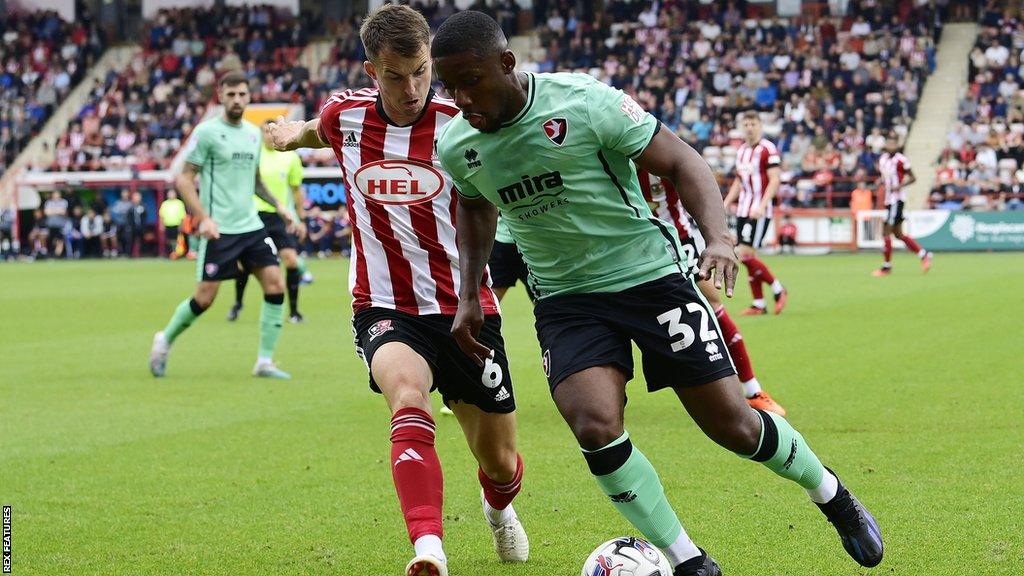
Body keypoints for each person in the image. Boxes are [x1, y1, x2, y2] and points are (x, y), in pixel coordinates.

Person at [432, 12, 883, 576]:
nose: (461, 98)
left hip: (650, 280)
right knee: (594, 425)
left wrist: (719, 239)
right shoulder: (457, 144)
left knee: (734, 426)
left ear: (506, 64)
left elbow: (682, 161)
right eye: (449, 86)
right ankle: (688, 560)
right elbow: (475, 206)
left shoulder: (584, 102)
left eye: (470, 80)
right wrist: (471, 293)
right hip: (566, 300)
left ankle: (832, 495)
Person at [265, 6, 528, 576]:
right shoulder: (345, 117)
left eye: (421, 72)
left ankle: (497, 505)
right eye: (394, 75)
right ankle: (428, 548)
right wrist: (291, 137)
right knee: (407, 396)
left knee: (501, 462)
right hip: (384, 306)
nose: (410, 90)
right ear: (371, 71)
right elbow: (320, 128)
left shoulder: (464, 120)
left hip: (467, 305)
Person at [149, 71, 296, 380]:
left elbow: (254, 180)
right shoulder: (207, 133)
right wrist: (202, 217)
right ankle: (165, 340)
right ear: (220, 96)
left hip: (251, 226)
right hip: (220, 229)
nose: (237, 100)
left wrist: (279, 206)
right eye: (231, 95)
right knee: (204, 299)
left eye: (242, 94)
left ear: (249, 96)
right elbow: (184, 179)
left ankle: (265, 361)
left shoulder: (255, 135)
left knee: (275, 283)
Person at [637, 169, 787, 416]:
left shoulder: (659, 152)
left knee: (713, 307)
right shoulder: (613, 154)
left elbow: (694, 179)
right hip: (638, 248)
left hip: (679, 242)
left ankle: (752, 390)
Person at [228, 121, 309, 324]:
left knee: (291, 261)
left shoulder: (290, 157)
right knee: (244, 265)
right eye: (264, 131)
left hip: (279, 217)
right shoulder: (254, 155)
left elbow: (296, 190)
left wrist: (301, 218)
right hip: (253, 215)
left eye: (270, 130)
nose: (267, 135)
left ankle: (294, 311)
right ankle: (237, 303)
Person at [722, 111, 787, 316]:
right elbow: (740, 181)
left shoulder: (768, 149)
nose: (749, 127)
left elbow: (775, 179)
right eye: (746, 124)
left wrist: (762, 204)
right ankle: (759, 303)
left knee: (744, 253)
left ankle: (777, 288)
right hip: (743, 209)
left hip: (758, 210)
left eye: (753, 124)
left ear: (760, 126)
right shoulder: (741, 151)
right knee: (749, 256)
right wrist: (726, 202)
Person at [874, 134, 933, 277]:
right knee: (898, 234)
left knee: (886, 231)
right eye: (889, 143)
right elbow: (885, 177)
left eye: (893, 143)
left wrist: (900, 186)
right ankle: (923, 254)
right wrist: (880, 182)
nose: (891, 146)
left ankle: (886, 267)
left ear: (897, 145)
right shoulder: (882, 159)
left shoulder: (901, 160)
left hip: (897, 200)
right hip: (889, 200)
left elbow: (913, 178)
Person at [159, 190, 187, 259]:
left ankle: (177, 254)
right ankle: (170, 253)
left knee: (177, 240)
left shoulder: (179, 203)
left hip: (177, 224)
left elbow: (183, 216)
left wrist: (182, 225)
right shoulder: (165, 204)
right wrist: (161, 225)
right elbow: (161, 215)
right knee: (169, 240)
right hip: (168, 224)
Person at [43, 191, 68, 258]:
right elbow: (47, 212)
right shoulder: (48, 202)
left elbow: (63, 212)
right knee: (51, 240)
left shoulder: (63, 202)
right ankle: (50, 254)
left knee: (60, 240)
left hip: (60, 225)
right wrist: (57, 211)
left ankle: (57, 255)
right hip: (51, 225)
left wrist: (52, 211)